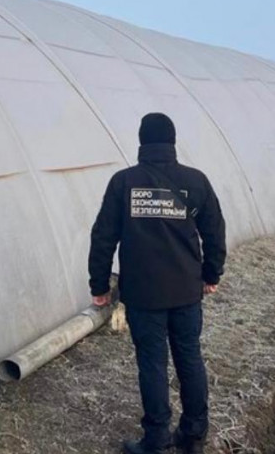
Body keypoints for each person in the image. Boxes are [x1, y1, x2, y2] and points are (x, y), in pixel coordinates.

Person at [89, 112, 227, 454]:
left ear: (141, 142)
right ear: (172, 141)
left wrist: (99, 285)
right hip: (186, 291)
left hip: (143, 295)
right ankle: (193, 435)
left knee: (152, 363)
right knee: (189, 358)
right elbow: (215, 231)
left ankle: (156, 440)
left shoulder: (124, 183)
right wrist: (211, 274)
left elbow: (103, 237)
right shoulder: (195, 181)